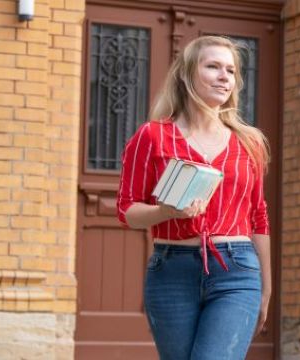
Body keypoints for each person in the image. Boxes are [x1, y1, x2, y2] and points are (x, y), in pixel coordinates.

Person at [116, 36, 271, 360]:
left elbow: (258, 216)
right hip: (171, 269)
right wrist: (165, 211)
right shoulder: (153, 135)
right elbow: (127, 209)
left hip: (237, 268)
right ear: (187, 75)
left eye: (230, 70)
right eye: (213, 66)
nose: (224, 76)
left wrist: (266, 288)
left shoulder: (249, 142)